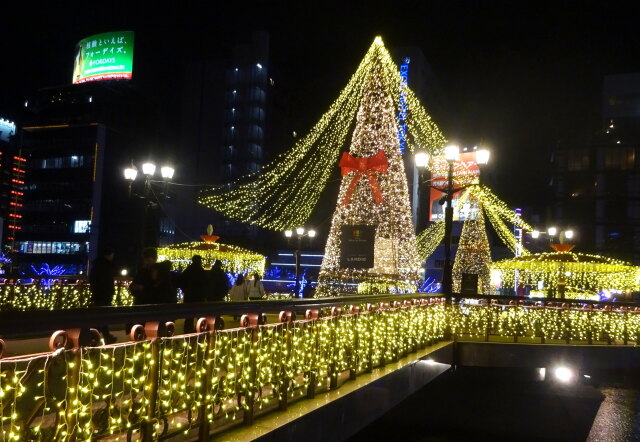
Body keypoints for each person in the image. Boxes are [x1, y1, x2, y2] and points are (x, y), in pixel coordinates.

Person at [89, 247, 117, 344]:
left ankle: (97, 335)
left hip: (98, 293)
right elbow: (107, 281)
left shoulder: (97, 264)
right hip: (104, 294)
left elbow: (93, 279)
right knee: (102, 315)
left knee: (100, 315)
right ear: (109, 254)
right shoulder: (106, 266)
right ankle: (96, 336)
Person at [179, 255, 208, 333]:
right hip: (199, 296)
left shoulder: (188, 270)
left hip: (189, 296)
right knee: (200, 315)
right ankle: (201, 330)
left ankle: (188, 332)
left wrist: (185, 289)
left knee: (189, 317)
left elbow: (181, 280)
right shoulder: (201, 270)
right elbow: (205, 283)